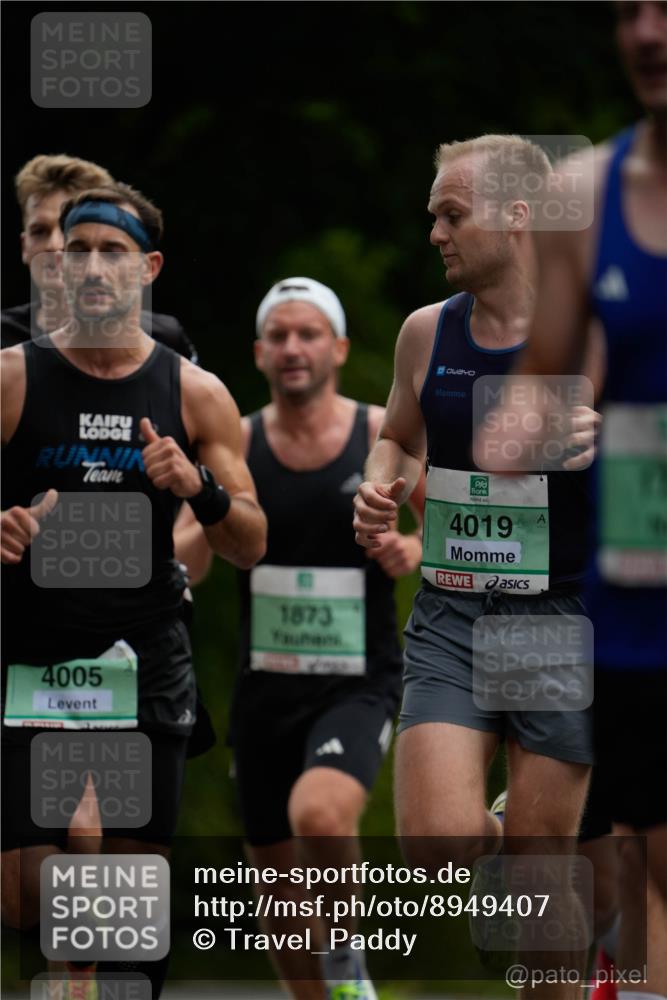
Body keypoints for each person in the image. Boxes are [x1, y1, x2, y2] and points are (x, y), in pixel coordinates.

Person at [0, 182, 267, 997]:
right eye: (74, 247)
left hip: (141, 656)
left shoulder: (193, 394)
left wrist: (199, 487)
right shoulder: (12, 379)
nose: (88, 264)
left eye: (110, 250)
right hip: (30, 656)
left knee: (123, 910)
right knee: (28, 898)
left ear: (147, 267)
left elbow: (250, 542)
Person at [353, 135, 600, 994]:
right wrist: (378, 486)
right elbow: (395, 435)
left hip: (557, 619)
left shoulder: (595, 335)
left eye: (451, 214)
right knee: (432, 850)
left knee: (540, 884)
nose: (435, 233)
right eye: (432, 216)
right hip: (453, 611)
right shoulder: (427, 333)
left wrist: (609, 438)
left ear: (518, 217)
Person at [481, 4, 667, 998]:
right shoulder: (584, 194)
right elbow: (537, 387)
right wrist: (526, 431)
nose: (645, 33)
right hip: (626, 617)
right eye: (627, 12)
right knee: (631, 874)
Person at [231, 277, 424, 1000]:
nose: (292, 348)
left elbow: (447, 529)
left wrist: (413, 550)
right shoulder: (240, 441)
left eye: (307, 333)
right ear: (257, 352)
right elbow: (188, 548)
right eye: (277, 336)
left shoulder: (380, 433)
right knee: (277, 879)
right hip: (264, 690)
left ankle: (348, 962)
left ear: (338, 347)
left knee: (318, 813)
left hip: (357, 682)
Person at [2, 154, 198, 362]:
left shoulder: (164, 338)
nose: (56, 246)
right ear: (25, 246)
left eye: (69, 232)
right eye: (39, 231)